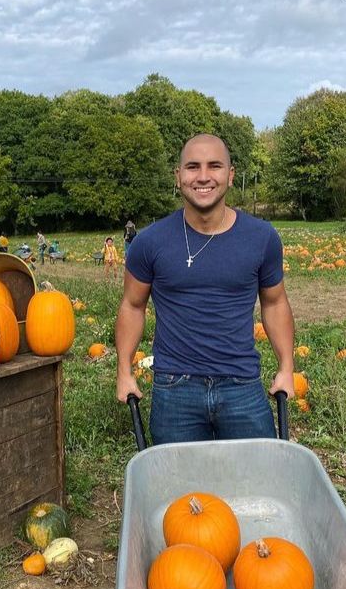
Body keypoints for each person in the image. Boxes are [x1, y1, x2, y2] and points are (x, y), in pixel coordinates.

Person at [115, 133, 295, 444]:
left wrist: (287, 368)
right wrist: (124, 371)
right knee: (179, 475)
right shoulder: (149, 242)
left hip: (241, 384)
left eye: (214, 166)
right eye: (192, 167)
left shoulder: (261, 238)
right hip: (175, 387)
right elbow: (132, 305)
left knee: (255, 471)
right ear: (178, 176)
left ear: (230, 175)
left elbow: (275, 303)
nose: (203, 176)